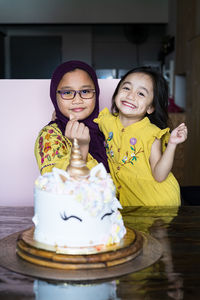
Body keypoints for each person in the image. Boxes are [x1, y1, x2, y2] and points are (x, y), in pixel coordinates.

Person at [94, 66, 187, 206]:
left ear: (150, 108)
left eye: (141, 94)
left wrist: (172, 144)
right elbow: (86, 121)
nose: (131, 96)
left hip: (158, 202)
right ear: (116, 92)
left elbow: (160, 175)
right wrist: (59, 117)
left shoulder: (151, 134)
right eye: (126, 88)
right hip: (130, 202)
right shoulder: (105, 121)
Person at [35, 60, 109, 174]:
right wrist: (80, 148)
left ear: (96, 93)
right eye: (67, 92)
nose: (78, 100)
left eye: (85, 91)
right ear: (54, 96)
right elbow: (57, 186)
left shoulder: (108, 127)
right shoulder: (50, 136)